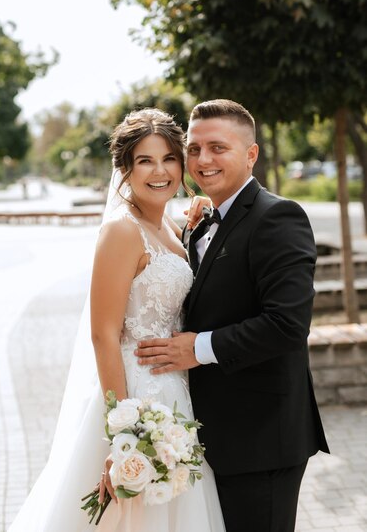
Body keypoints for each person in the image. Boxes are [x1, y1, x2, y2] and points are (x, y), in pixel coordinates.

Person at [7, 108, 225, 532]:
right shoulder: (121, 231)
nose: (159, 171)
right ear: (124, 168)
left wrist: (198, 219)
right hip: (137, 397)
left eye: (168, 159)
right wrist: (123, 433)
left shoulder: (167, 224)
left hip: (177, 395)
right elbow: (103, 334)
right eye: (145, 160)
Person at [135, 99, 330, 532]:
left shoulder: (278, 217)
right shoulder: (200, 220)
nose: (203, 160)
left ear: (251, 154)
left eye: (218, 148)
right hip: (207, 438)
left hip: (261, 442)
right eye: (194, 148)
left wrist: (198, 349)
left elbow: (288, 325)